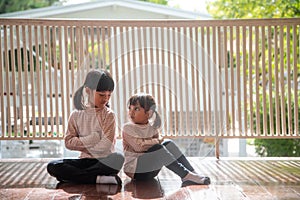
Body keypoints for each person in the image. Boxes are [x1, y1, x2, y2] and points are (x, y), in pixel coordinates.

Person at [47, 69, 124, 185]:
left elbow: (106, 146)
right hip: (84, 161)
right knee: (53, 166)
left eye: (109, 95)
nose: (106, 99)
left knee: (117, 158)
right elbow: (68, 142)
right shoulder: (76, 115)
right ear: (88, 91)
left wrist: (82, 145)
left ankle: (77, 177)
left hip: (104, 161)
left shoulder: (109, 115)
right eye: (101, 95)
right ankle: (96, 179)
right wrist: (93, 138)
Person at [122, 93, 210, 187]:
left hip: (151, 171)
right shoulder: (128, 128)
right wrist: (157, 141)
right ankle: (186, 175)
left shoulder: (152, 128)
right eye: (130, 108)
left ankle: (192, 173)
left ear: (149, 113)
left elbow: (150, 146)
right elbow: (139, 147)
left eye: (136, 109)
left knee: (168, 143)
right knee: (157, 148)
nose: (131, 112)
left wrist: (155, 142)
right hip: (136, 171)